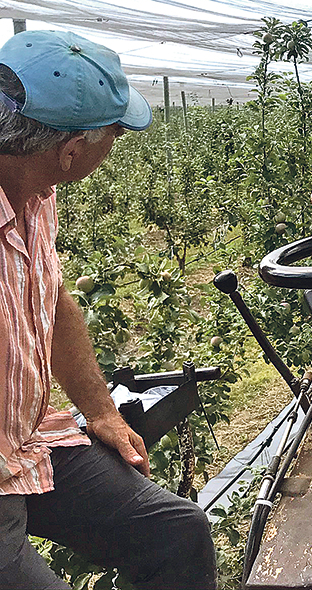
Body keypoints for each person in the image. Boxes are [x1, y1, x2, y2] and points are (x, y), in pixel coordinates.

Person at [0, 31, 216, 589]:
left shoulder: (35, 196)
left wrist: (100, 412)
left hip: (24, 440)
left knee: (177, 532)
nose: (116, 145)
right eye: (114, 134)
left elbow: (51, 302)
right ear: (71, 151)